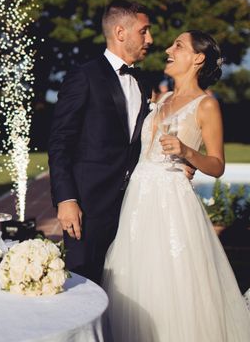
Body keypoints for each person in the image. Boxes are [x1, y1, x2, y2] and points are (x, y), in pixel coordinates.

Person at [103, 30, 250, 341]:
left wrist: (187, 152)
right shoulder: (163, 98)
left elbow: (217, 165)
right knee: (136, 278)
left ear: (198, 58)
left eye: (178, 46)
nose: (168, 49)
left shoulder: (206, 105)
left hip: (172, 204)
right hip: (138, 200)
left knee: (173, 282)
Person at [48, 0, 153, 284]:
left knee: (125, 286)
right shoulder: (84, 76)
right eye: (144, 31)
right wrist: (66, 199)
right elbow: (59, 142)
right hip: (88, 207)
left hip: (133, 204)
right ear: (121, 33)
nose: (150, 39)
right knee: (83, 284)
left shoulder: (144, 83)